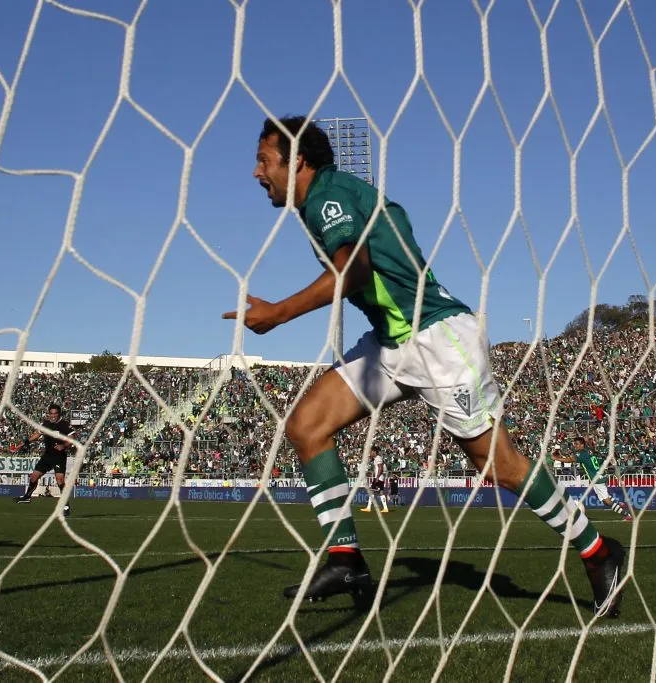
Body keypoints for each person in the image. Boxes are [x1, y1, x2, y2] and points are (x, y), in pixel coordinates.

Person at [222, 116, 625, 617]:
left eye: (264, 160)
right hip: (392, 345)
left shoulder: (328, 197)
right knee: (307, 426)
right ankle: (345, 557)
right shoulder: (319, 205)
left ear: (296, 159)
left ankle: (598, 549)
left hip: (437, 339)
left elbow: (354, 270)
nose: (256, 172)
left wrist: (279, 313)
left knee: (498, 465)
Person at [552, 436, 633, 522]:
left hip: (596, 478)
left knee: (607, 501)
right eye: (574, 444)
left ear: (582, 445)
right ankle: (619, 503)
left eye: (577, 444)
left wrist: (556, 458)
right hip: (600, 475)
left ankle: (626, 514)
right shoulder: (588, 450)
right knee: (604, 499)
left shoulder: (581, 454)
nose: (575, 446)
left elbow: (571, 460)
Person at [15, 403, 75, 517]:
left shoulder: (65, 425)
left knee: (60, 481)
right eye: (51, 414)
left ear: (59, 414)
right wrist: (23, 443)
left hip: (59, 456)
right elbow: (37, 435)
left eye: (55, 413)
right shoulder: (45, 424)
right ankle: (27, 497)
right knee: (34, 476)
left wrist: (64, 446)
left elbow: (72, 439)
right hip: (47, 456)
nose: (53, 416)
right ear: (49, 414)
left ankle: (66, 505)